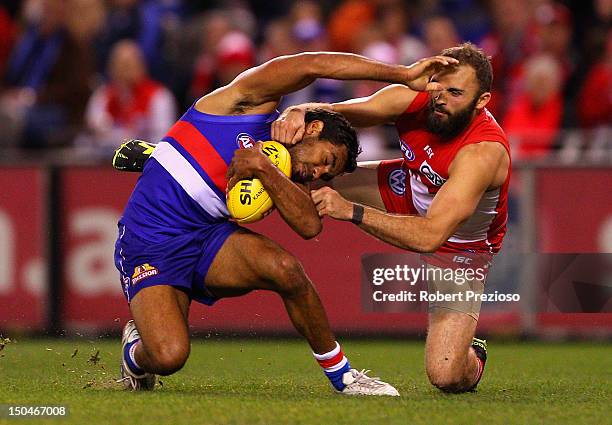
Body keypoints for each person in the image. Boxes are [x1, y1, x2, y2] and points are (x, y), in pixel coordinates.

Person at [114, 50, 458, 395]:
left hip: (207, 237)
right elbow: (314, 64)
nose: (320, 173)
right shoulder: (249, 102)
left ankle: (345, 378)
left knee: (286, 269)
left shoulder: (290, 169)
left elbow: (310, 227)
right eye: (327, 160)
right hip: (153, 235)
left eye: (328, 174)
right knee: (168, 356)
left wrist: (264, 167)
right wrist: (402, 74)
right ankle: (134, 353)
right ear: (314, 127)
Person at [273, 43, 510, 393]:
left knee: (446, 376)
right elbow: (343, 112)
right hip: (406, 190)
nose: (441, 98)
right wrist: (300, 111)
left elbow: (431, 236)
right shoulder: (415, 99)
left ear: (482, 101)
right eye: (437, 87)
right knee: (305, 166)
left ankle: (472, 358)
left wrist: (349, 211)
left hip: (458, 246)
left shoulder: (482, 153)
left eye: (456, 92)